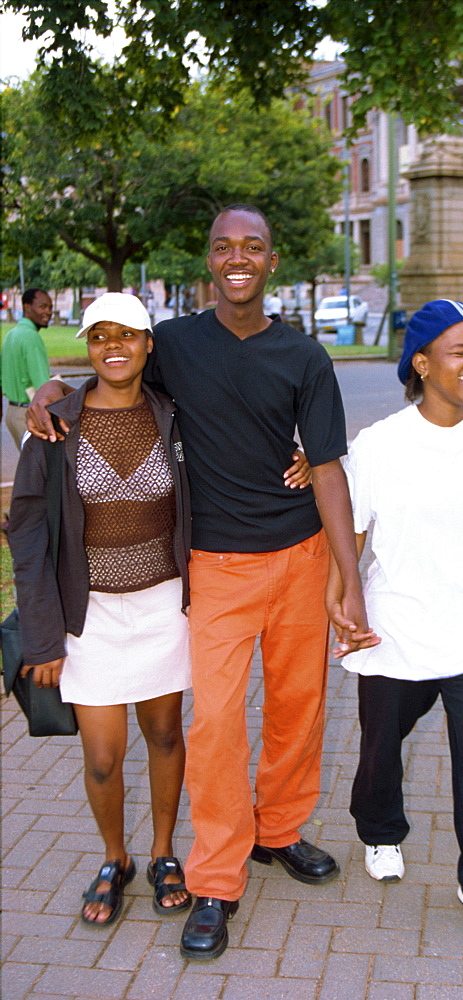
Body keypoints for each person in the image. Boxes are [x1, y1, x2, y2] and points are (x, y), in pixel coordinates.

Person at [28, 204, 371, 961]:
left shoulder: (305, 357)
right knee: (215, 724)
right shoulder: (177, 345)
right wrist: (48, 389)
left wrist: (349, 578)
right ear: (209, 262)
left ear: (270, 262)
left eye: (253, 247)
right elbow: (106, 369)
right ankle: (216, 876)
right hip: (214, 567)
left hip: (301, 555)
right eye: (224, 247)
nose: (238, 258)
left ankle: (278, 831)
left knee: (298, 708)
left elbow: (326, 468)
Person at [328, 300, 463, 941]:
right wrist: (339, 601)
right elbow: (353, 533)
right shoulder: (381, 444)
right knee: (378, 749)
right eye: (461, 351)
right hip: (394, 630)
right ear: (421, 363)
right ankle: (379, 829)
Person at [8, 292, 194, 926]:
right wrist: (41, 640)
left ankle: (164, 853)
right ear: (88, 346)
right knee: (103, 755)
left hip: (164, 605)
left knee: (166, 733)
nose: (113, 346)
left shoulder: (174, 415)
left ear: (148, 343)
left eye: (127, 335)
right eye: (99, 336)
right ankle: (115, 858)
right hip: (85, 616)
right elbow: (27, 534)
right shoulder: (56, 425)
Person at [2, 288, 53, 449]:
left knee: (29, 469)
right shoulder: (31, 337)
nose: (48, 312)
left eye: (50, 307)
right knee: (41, 472)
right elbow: (43, 386)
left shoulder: (11, 334)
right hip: (29, 415)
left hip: (12, 413)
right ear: (27, 307)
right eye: (42, 306)